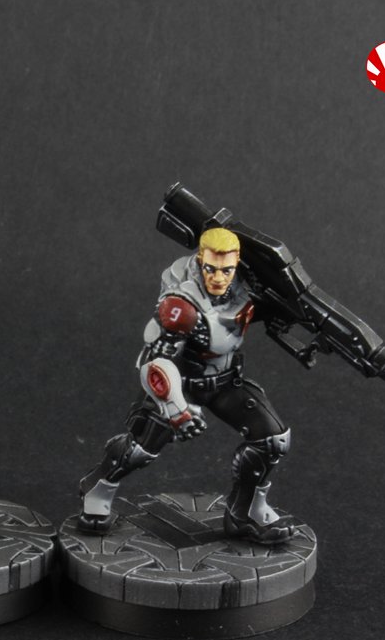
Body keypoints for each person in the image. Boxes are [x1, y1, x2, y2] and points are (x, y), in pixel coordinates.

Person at [77, 226, 297, 545]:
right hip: (180, 383)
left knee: (272, 438)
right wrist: (176, 409)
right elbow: (155, 363)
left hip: (224, 381)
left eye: (226, 270)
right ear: (199, 261)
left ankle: (245, 513)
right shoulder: (181, 304)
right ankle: (97, 489)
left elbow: (255, 312)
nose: (218, 278)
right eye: (211, 269)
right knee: (141, 448)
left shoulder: (244, 287)